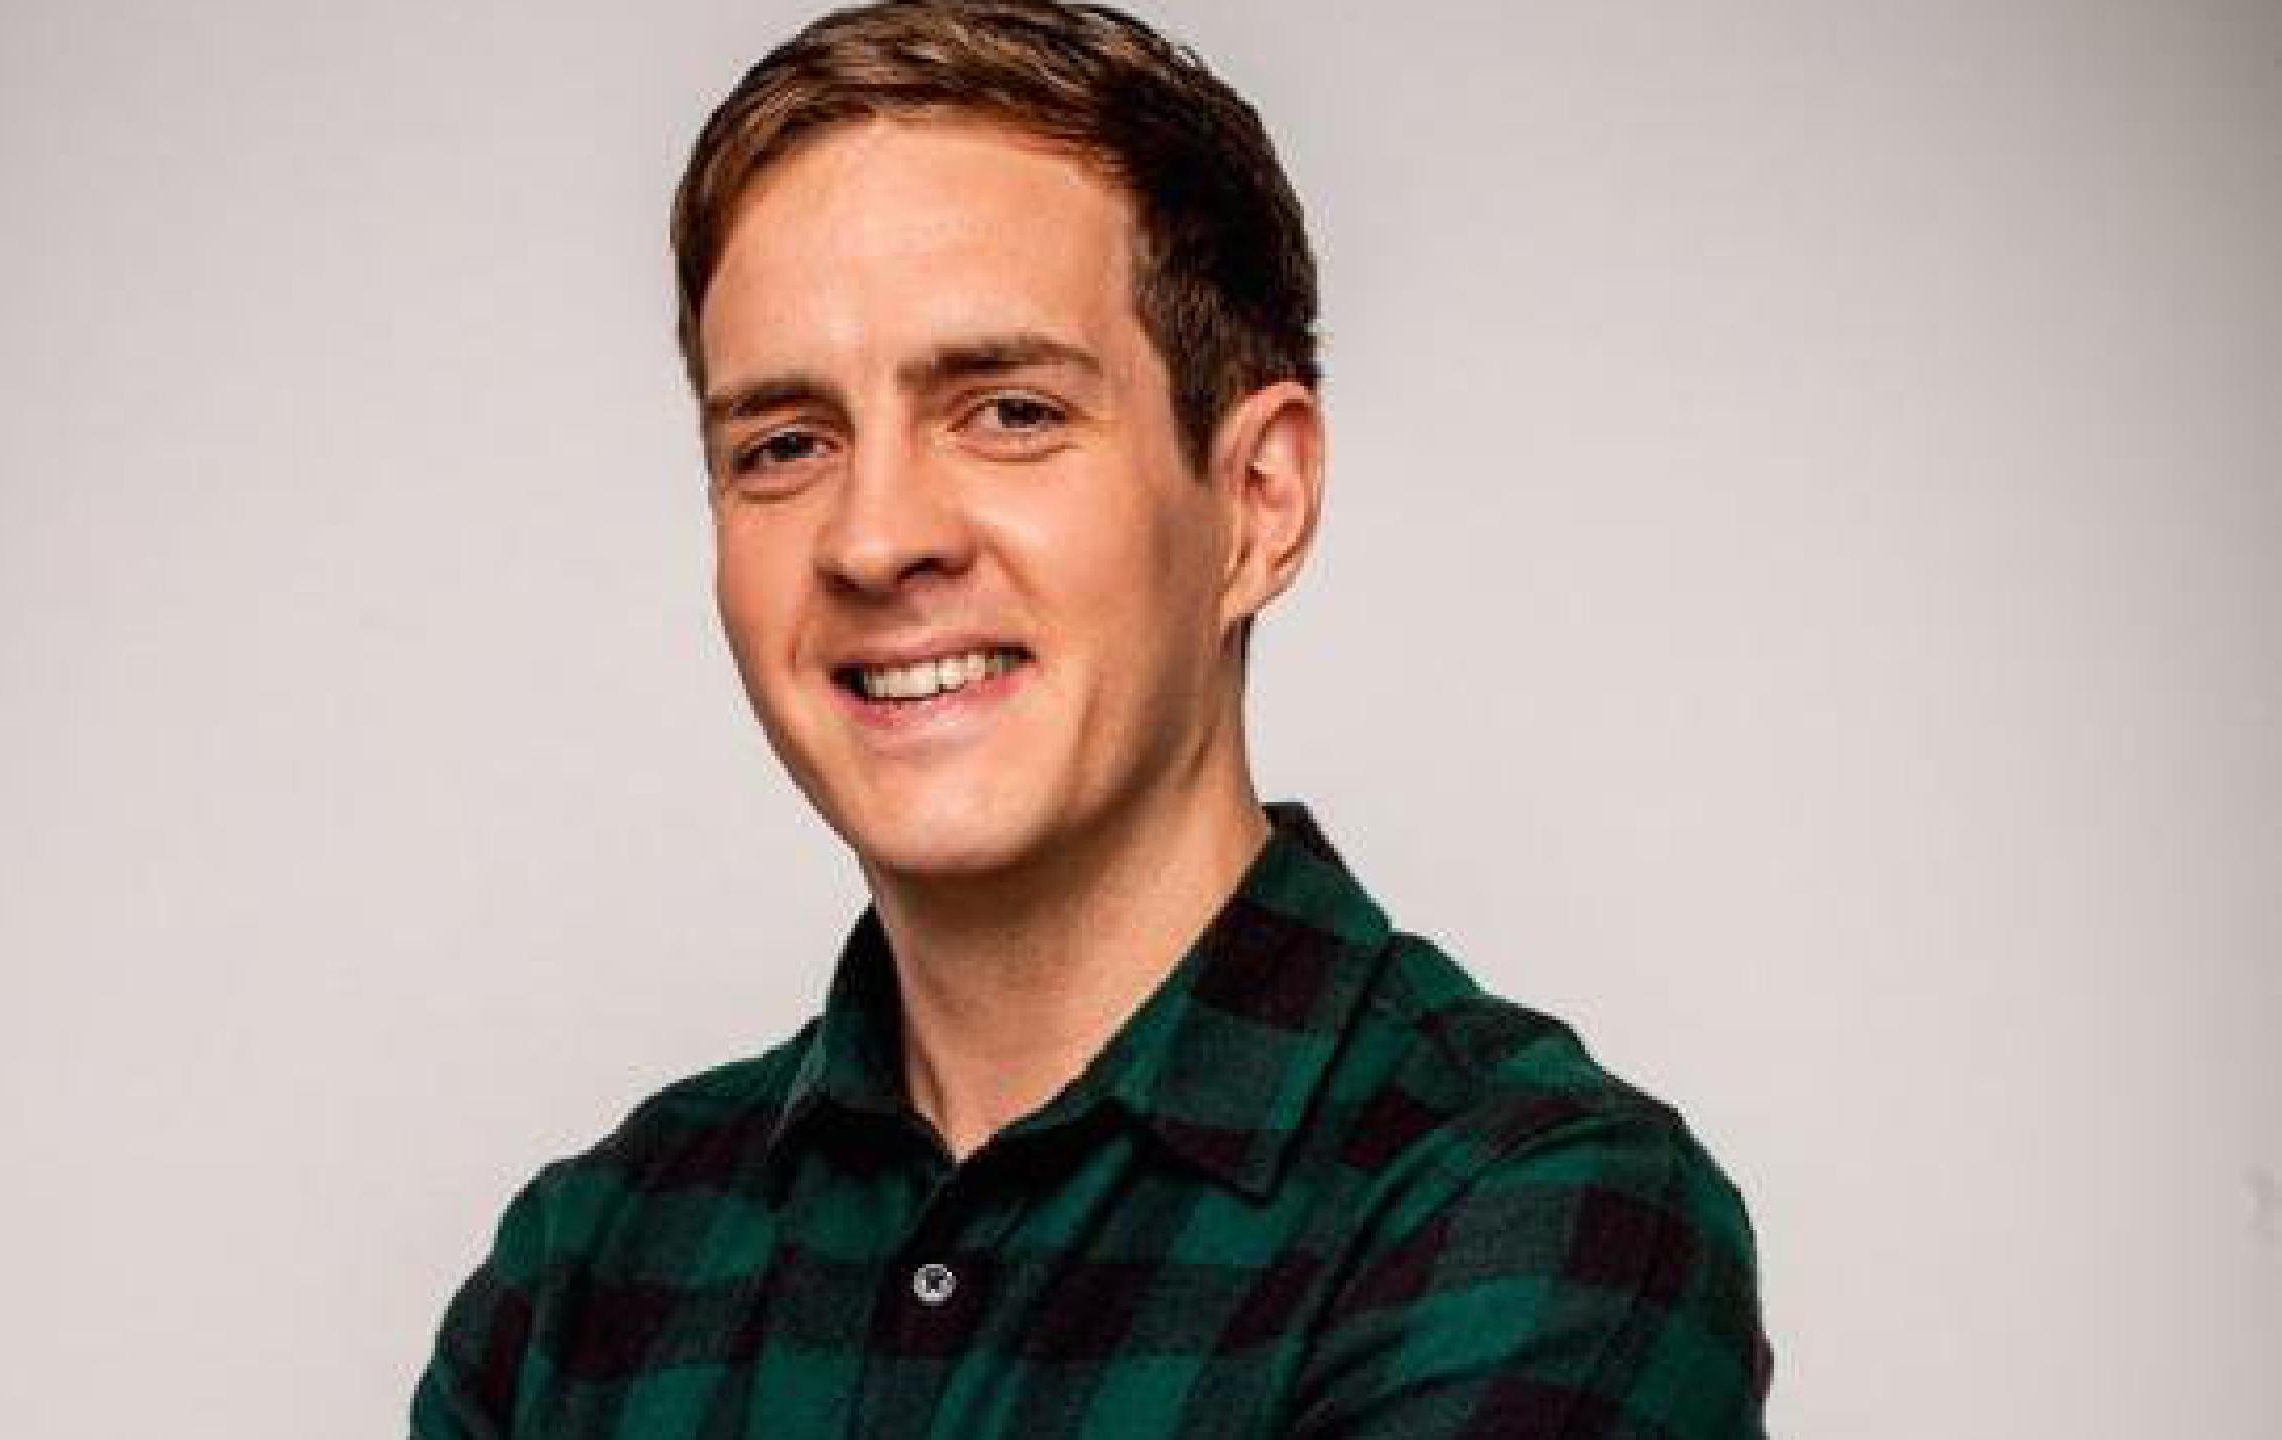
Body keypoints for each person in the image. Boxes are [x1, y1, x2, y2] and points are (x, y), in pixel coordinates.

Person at [411, 1, 1772, 1434]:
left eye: (1009, 413)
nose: (874, 540)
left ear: (1256, 501)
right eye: (786, 444)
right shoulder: (581, 1278)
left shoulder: (1539, 1217)